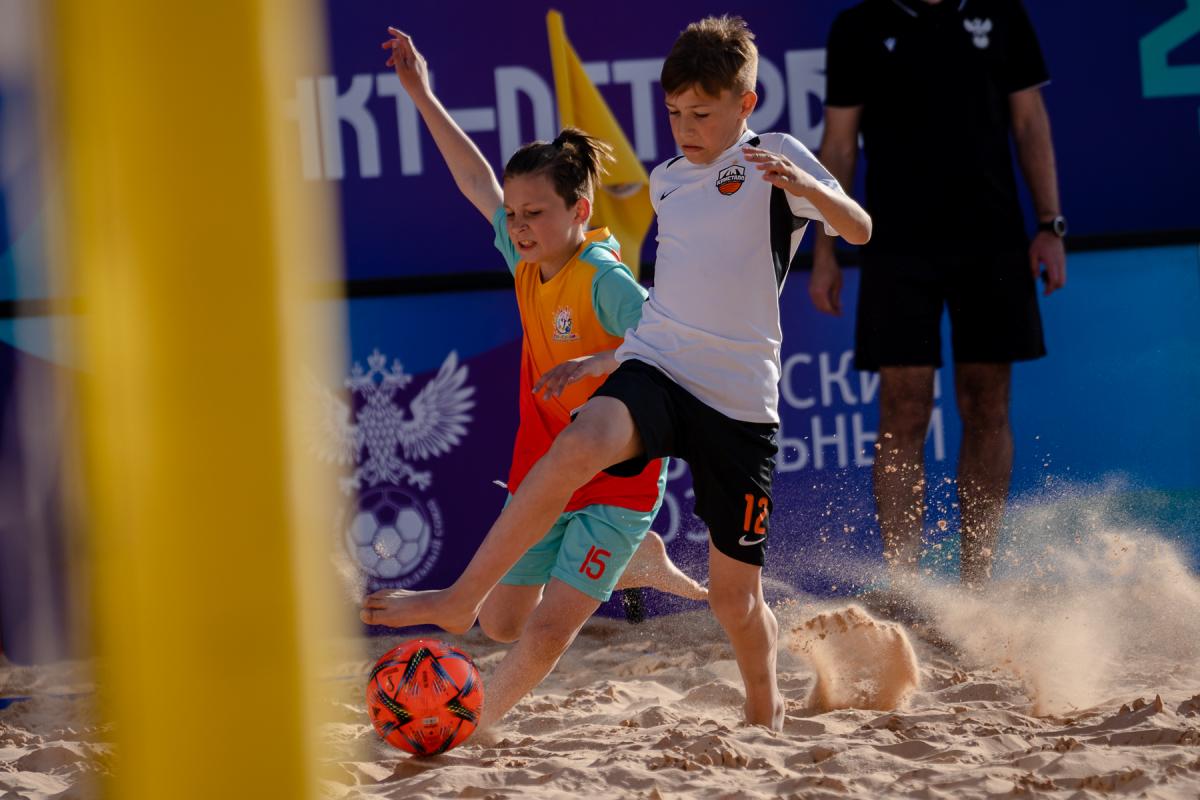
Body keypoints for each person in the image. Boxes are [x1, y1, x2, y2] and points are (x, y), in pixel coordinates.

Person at [363, 17, 871, 730]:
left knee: (735, 602)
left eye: (701, 113)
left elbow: (859, 229)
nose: (685, 128)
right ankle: (459, 600)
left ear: (746, 104)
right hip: (662, 368)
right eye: (674, 113)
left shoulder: (774, 158)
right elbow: (666, 305)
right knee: (576, 449)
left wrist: (811, 190)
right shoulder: (666, 181)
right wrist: (615, 358)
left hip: (738, 401)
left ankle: (765, 704)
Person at [367, 28, 707, 731]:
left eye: (535, 214)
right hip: (543, 467)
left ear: (580, 211)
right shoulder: (527, 261)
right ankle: (638, 561)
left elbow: (671, 340)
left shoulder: (604, 280)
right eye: (515, 216)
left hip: (616, 478)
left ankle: (473, 724)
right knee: (499, 622)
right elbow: (475, 181)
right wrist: (422, 94)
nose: (518, 226)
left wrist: (599, 364)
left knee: (549, 630)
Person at [810, 0, 1067, 586]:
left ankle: (976, 585)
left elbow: (1030, 122)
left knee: (986, 404)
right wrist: (825, 252)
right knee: (902, 409)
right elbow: (840, 145)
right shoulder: (858, 25)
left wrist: (1050, 225)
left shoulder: (1001, 13)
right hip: (895, 246)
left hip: (991, 240)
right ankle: (907, 587)